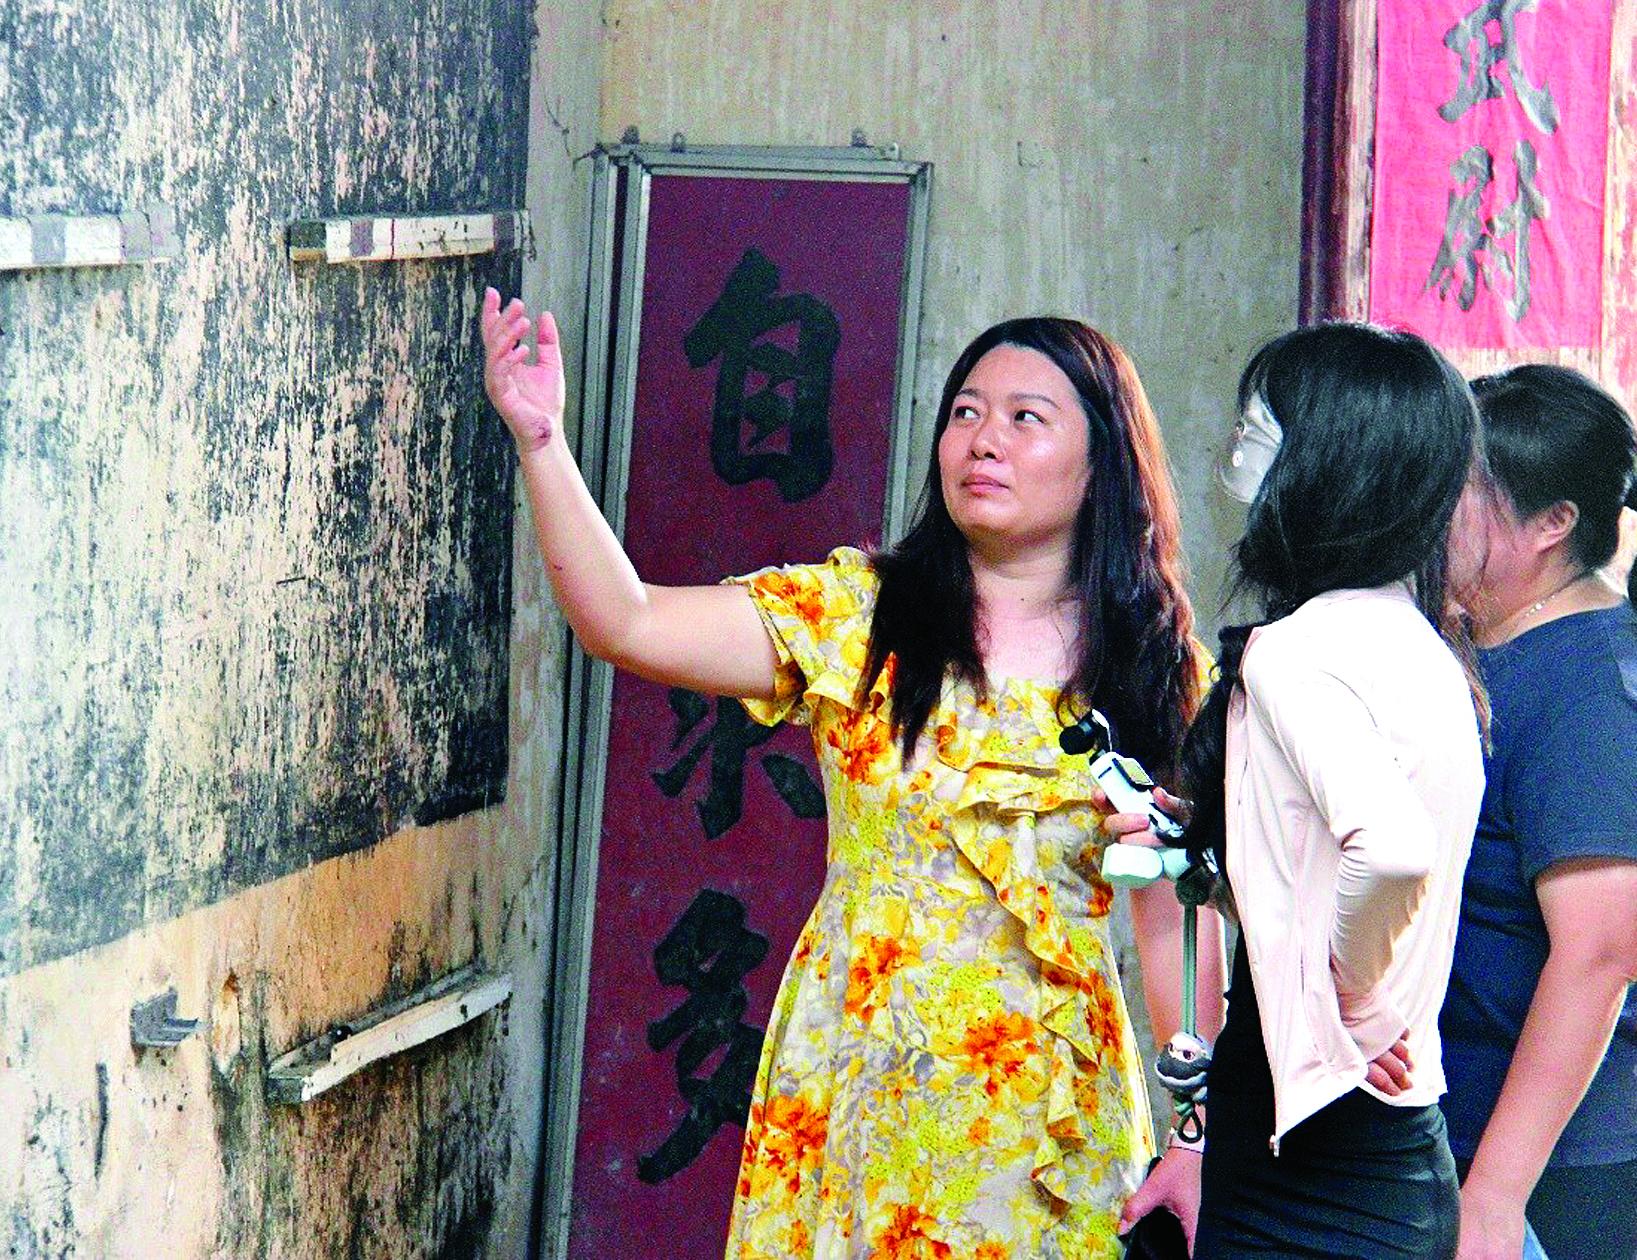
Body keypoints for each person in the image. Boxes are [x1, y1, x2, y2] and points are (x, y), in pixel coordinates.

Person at [481, 289, 1215, 1257]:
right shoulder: (861, 617)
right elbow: (627, 622)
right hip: (857, 1077)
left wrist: (1195, 1136)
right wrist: (542, 444)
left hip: (1047, 1119)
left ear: (1102, 460)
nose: (983, 441)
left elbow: (1173, 924)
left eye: (1025, 418)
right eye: (966, 412)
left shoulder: (1158, 667)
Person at [1124, 322, 1489, 1258]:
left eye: (1260, 429)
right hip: (1384, 1147)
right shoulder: (1426, 647)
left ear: (1329, 464)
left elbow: (1393, 850)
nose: (1237, 450)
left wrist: (1350, 1001)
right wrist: (1208, 843)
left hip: (1315, 1149)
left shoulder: (1294, 650)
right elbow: (1326, 871)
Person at [1439, 364, 1637, 1260]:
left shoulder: (1599, 693)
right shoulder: (1482, 642)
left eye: (1462, 491)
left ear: (1553, 524)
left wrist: (1495, 1194)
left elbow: (1598, 955)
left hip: (1543, 1167)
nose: (1431, 511)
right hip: (1452, 1125)